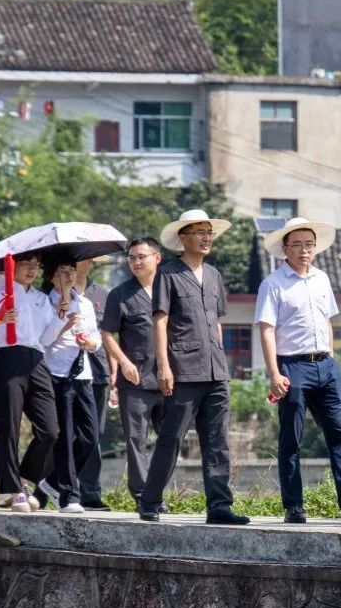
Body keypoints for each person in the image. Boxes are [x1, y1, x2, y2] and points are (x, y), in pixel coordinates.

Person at [137, 209, 248, 524]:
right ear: (182, 238)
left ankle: (220, 506)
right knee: (171, 436)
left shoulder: (214, 275)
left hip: (216, 369)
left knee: (217, 439)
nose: (206, 237)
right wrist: (163, 366)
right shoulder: (168, 274)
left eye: (209, 231)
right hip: (183, 368)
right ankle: (150, 500)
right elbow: (160, 321)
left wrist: (221, 354)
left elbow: (216, 322)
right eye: (199, 232)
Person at [254, 217, 341, 523]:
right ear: (285, 248)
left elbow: (327, 321)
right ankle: (294, 505)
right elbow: (266, 330)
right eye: (297, 244)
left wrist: (329, 354)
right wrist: (274, 373)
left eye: (309, 244)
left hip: (325, 365)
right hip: (292, 365)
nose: (304, 250)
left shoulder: (322, 279)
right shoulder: (273, 284)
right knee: (291, 438)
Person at [0, 250, 75, 513]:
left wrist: (63, 308)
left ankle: (24, 480)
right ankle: (11, 491)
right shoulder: (0, 294)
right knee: (9, 428)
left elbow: (46, 338)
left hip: (36, 361)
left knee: (50, 430)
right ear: (13, 267)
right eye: (26, 264)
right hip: (8, 357)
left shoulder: (42, 299)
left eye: (36, 265)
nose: (32, 270)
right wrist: (1, 319)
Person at [31, 257, 103, 514]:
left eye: (71, 270)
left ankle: (51, 482)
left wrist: (91, 343)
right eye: (63, 270)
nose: (69, 275)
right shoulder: (42, 303)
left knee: (90, 436)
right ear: (51, 276)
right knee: (65, 438)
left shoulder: (83, 302)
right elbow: (41, 340)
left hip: (82, 373)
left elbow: (96, 335)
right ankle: (69, 496)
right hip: (55, 374)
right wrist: (62, 321)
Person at [101, 237, 164, 510]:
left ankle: (158, 492)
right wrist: (124, 363)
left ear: (157, 258)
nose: (136, 262)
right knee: (136, 440)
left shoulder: (169, 289)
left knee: (170, 438)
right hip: (135, 380)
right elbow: (107, 333)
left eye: (142, 256)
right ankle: (143, 497)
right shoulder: (120, 294)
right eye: (132, 258)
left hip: (168, 377)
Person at [74, 257, 114, 511]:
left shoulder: (103, 294)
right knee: (62, 432)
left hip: (98, 371)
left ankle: (90, 492)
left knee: (93, 435)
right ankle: (56, 486)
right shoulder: (52, 293)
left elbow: (110, 335)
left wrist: (115, 371)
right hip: (64, 372)